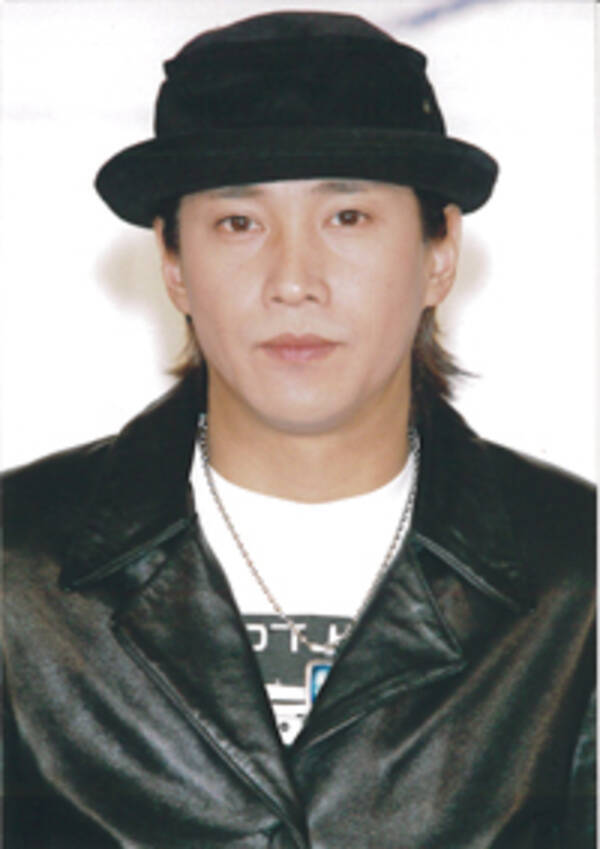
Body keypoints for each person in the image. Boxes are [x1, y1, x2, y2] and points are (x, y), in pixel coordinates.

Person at [3, 11, 594, 849]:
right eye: (238, 224)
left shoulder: (577, 580)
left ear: (438, 252)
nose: (293, 280)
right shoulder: (19, 571)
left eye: (347, 217)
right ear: (173, 262)